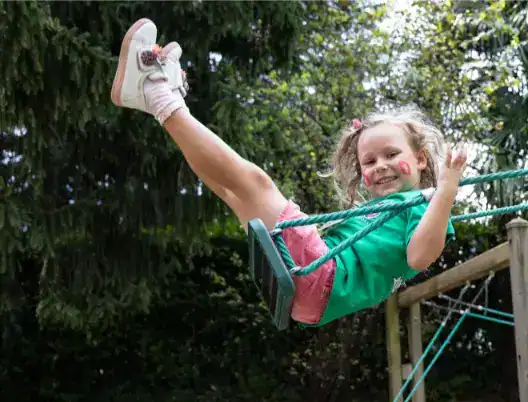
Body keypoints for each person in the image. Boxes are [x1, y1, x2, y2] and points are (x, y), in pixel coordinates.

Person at [110, 19, 467, 327]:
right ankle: (158, 100)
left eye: (392, 154)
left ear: (420, 159)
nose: (381, 166)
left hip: (322, 278)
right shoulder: (381, 212)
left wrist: (446, 190)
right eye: (369, 162)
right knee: (232, 191)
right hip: (313, 294)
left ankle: (156, 92)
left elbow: (420, 257)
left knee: (258, 185)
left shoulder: (423, 204)